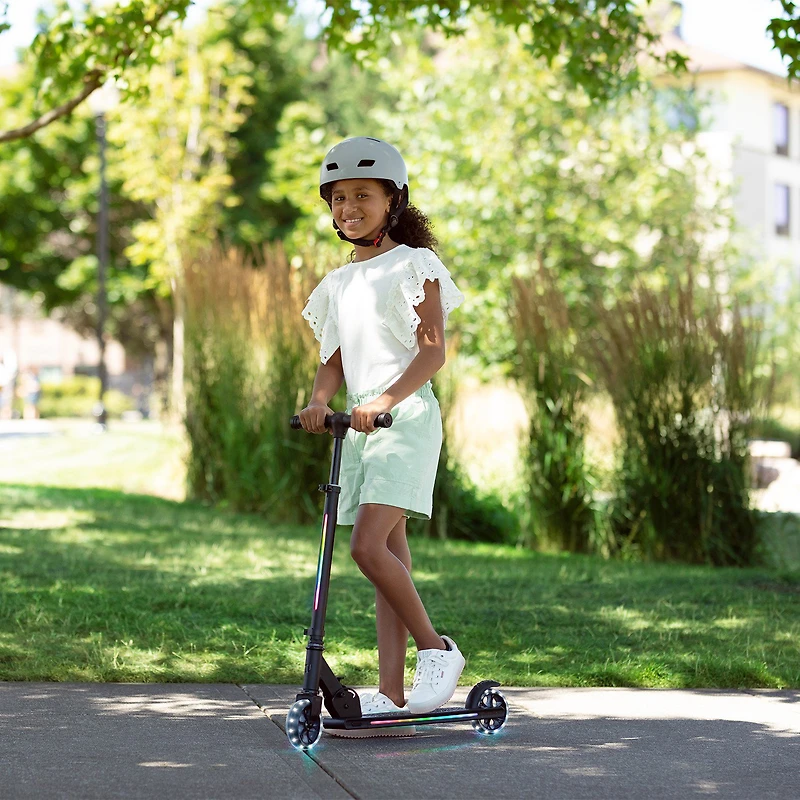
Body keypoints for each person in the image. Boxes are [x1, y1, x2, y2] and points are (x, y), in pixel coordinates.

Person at [299, 137, 466, 737]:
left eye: (362, 196)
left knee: (367, 549)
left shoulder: (415, 264)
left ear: (392, 200)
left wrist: (386, 401)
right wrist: (320, 402)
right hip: (364, 425)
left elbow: (432, 350)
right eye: (338, 198)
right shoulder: (341, 282)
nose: (348, 208)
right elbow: (333, 362)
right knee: (388, 557)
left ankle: (438, 650)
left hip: (406, 419)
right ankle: (392, 695)